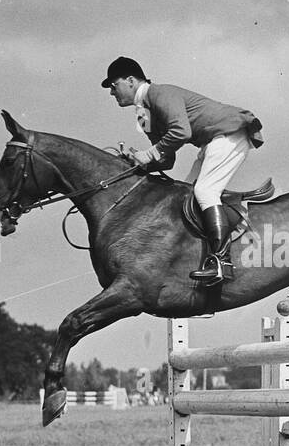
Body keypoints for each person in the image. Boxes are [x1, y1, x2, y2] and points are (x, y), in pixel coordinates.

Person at [101, 56, 264, 285]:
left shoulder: (159, 93)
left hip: (229, 132)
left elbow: (181, 132)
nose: (111, 92)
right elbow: (168, 160)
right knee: (185, 196)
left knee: (205, 192)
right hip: (212, 141)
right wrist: (139, 161)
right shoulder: (142, 115)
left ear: (130, 80)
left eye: (113, 85)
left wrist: (149, 153)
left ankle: (221, 262)